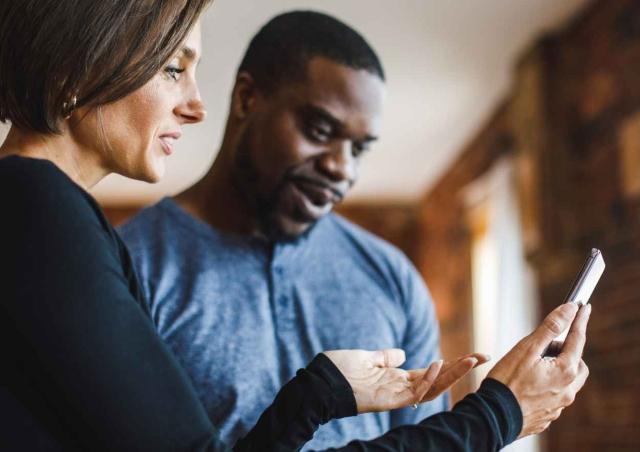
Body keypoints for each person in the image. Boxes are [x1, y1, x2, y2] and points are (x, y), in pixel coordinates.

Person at [0, 1, 590, 451]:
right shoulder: (39, 210)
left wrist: (318, 393)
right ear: (79, 70)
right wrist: (498, 414)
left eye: (360, 148)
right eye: (174, 70)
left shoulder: (392, 275)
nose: (195, 105)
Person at [118, 11, 449, 448]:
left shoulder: (393, 278)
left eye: (359, 148)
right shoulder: (130, 266)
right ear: (247, 99)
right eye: (319, 130)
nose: (341, 167)